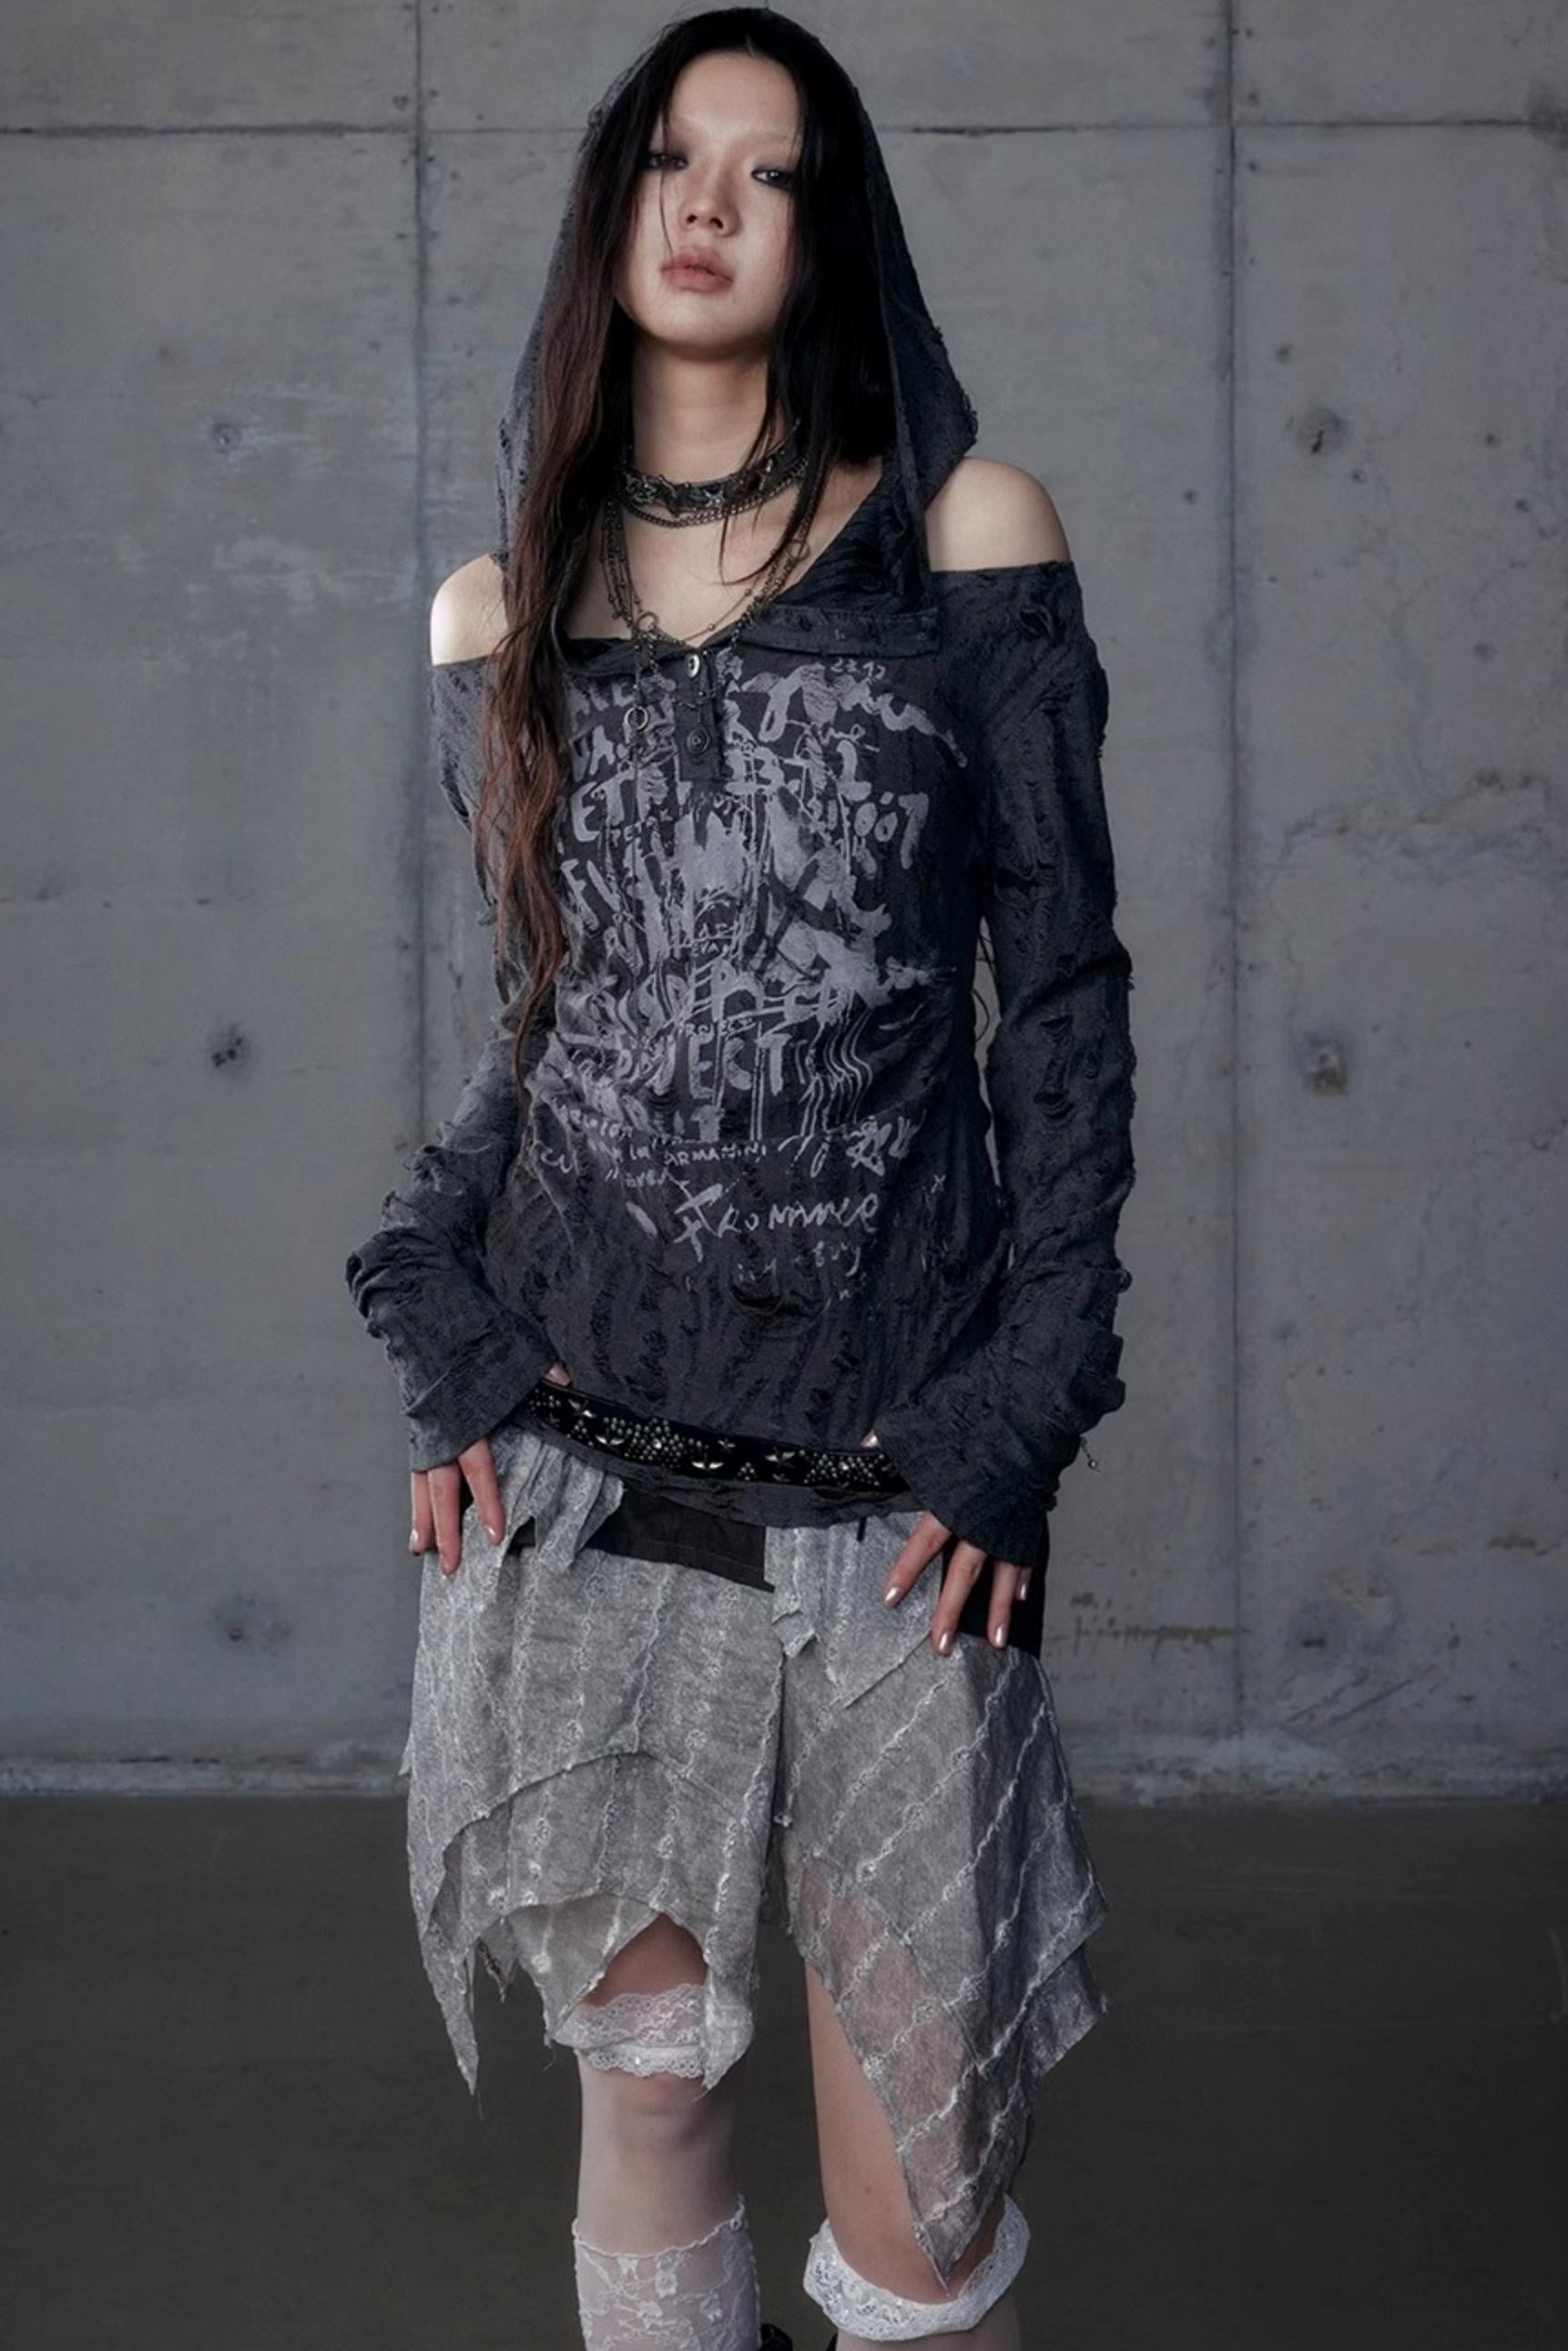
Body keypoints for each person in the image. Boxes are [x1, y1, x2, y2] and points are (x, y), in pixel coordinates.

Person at [344, 10, 1138, 2347]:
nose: (707, 203)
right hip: (589, 1459)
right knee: (653, 2088)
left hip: (902, 1460)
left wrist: (1029, 1404)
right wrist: (443, 1315)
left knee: (925, 2204)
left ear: (826, 225)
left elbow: (1061, 1009)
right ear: (613, 202)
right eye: (670, 157)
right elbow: (548, 1032)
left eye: (768, 170)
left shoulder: (963, 539)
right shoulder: (496, 606)